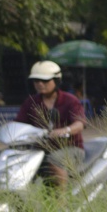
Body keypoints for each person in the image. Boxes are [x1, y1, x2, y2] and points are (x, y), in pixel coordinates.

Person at [15, 60, 86, 188]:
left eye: (45, 81)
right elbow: (18, 123)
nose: (40, 84)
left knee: (54, 160)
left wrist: (65, 130)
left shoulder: (70, 100)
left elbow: (79, 124)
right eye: (36, 81)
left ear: (57, 81)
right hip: (39, 148)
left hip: (70, 148)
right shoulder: (31, 102)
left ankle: (61, 203)